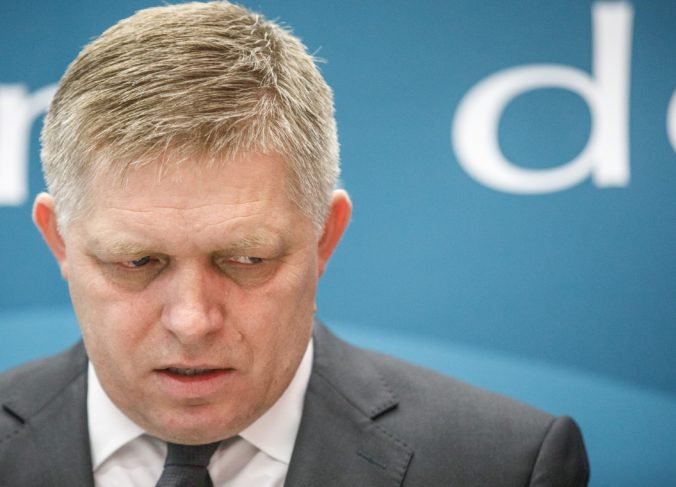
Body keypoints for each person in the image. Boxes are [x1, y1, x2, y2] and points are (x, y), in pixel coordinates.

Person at [0, 1, 589, 485]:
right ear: (59, 241)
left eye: (247, 259)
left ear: (325, 235)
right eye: (136, 261)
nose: (192, 321)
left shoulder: (503, 466)